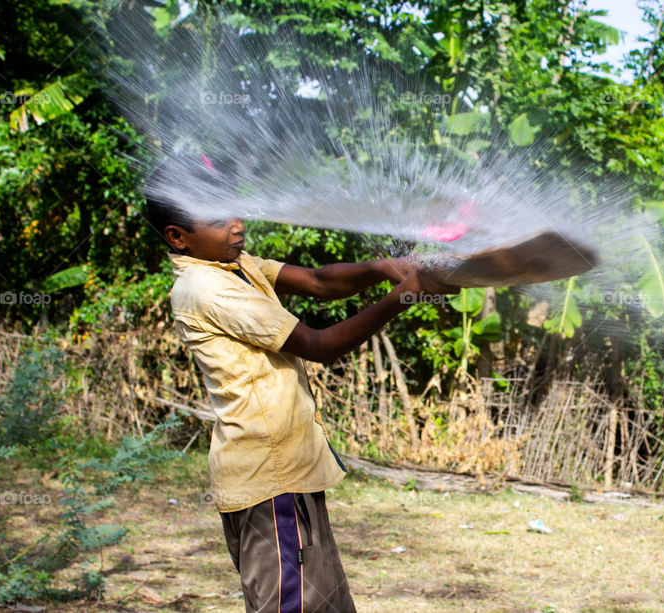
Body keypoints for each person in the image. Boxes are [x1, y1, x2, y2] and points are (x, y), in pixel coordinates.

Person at [146, 178, 456, 613]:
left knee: (326, 605)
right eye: (219, 220)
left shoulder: (233, 265)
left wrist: (382, 268)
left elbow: (316, 281)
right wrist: (404, 295)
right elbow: (319, 346)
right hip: (267, 482)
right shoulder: (209, 288)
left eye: (235, 211)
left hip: (287, 475)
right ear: (178, 237)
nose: (237, 226)